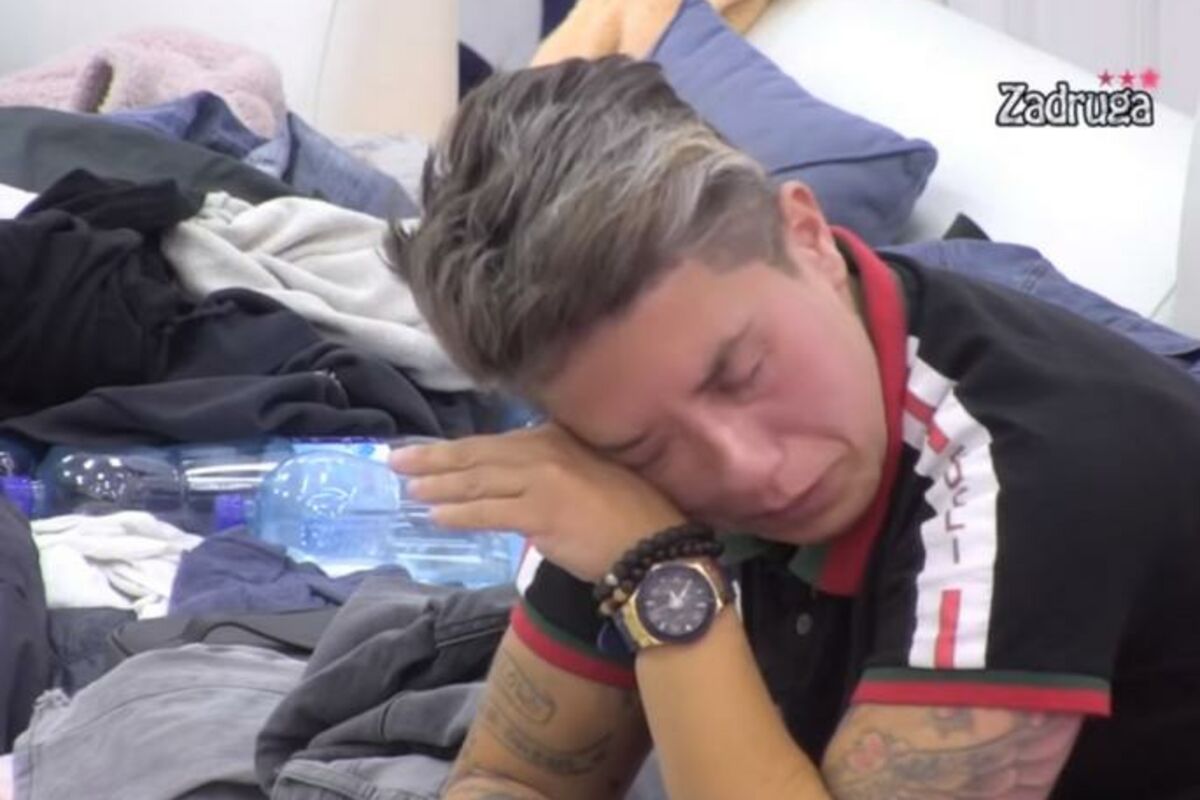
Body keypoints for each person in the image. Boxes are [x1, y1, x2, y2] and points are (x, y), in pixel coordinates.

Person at [386, 55, 1200, 799]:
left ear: (808, 239)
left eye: (744, 372)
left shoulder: (1031, 470)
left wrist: (665, 583)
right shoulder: (622, 426)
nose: (748, 468)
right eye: (647, 449)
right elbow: (508, 777)